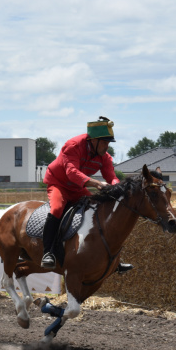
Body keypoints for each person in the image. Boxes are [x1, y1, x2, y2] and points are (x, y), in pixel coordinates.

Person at [41, 116, 131, 272]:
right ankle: (47, 253)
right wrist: (97, 183)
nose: (107, 146)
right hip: (59, 184)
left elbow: (111, 176)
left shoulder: (104, 156)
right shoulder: (73, 146)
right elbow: (72, 173)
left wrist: (116, 186)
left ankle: (111, 259)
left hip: (77, 188)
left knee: (96, 209)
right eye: (104, 142)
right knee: (56, 209)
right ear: (93, 140)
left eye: (108, 143)